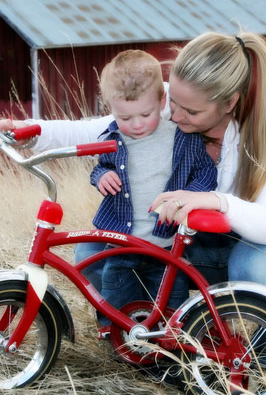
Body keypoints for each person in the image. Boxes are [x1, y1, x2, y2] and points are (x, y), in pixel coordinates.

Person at [0, 31, 266, 304]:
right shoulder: (167, 104)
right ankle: (145, 331)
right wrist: (26, 131)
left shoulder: (261, 139)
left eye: (191, 112)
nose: (176, 116)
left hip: (253, 244)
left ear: (229, 103)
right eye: (172, 103)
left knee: (257, 271)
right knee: (94, 253)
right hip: (192, 237)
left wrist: (215, 201)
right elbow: (98, 129)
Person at [87, 50, 216, 327]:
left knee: (172, 312)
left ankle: (171, 355)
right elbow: (101, 166)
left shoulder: (181, 136)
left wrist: (190, 197)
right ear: (110, 108)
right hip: (120, 245)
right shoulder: (112, 137)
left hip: (167, 249)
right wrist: (102, 176)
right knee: (116, 305)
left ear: (162, 100)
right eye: (124, 117)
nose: (136, 125)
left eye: (145, 114)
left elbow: (206, 171)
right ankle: (124, 349)